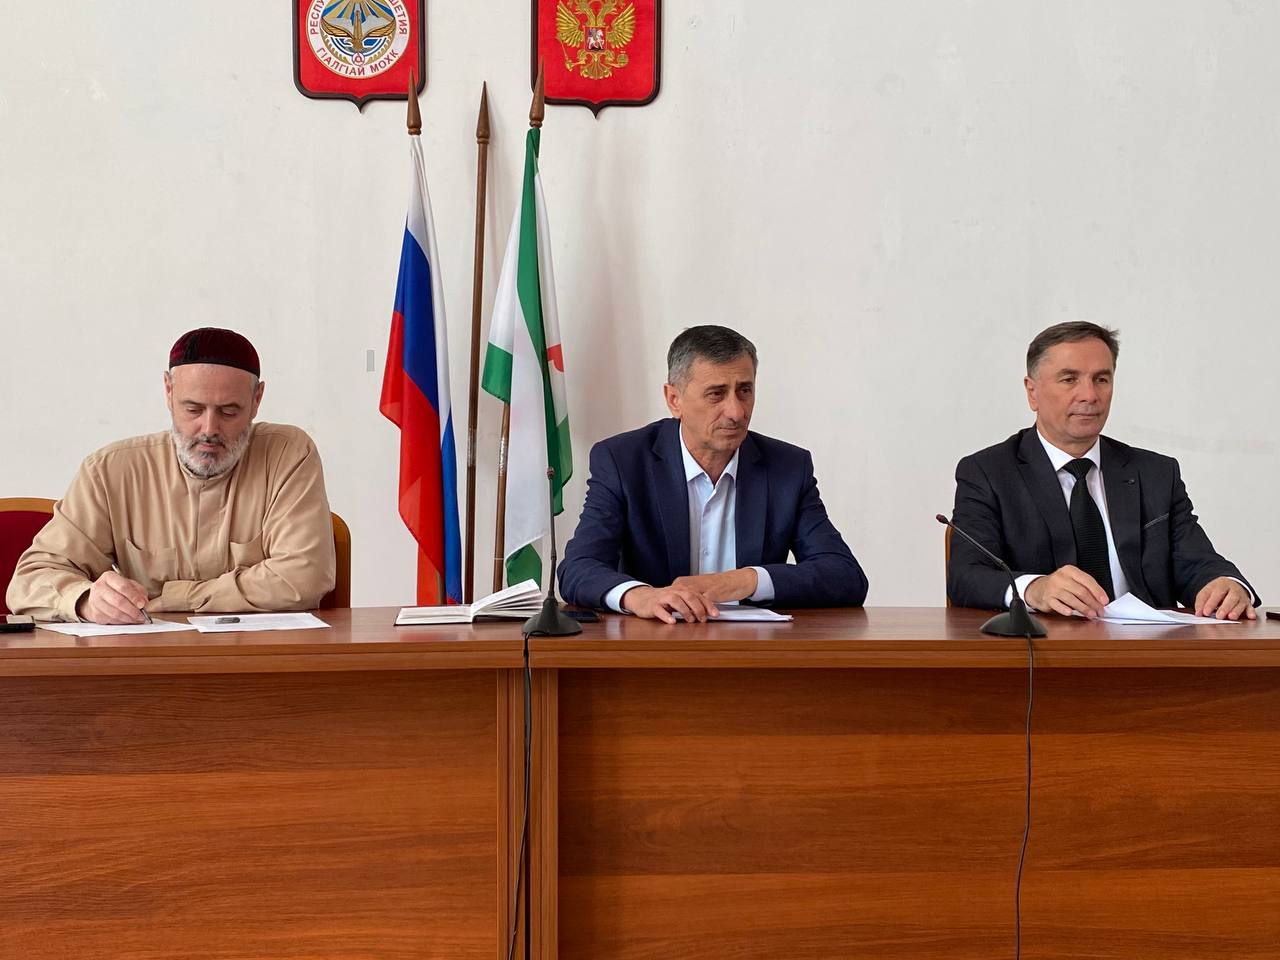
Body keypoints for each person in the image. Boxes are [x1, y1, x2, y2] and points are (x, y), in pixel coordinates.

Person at [7, 327, 336, 623]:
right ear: (168, 391)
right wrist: (84, 600)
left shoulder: (288, 455)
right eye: (193, 409)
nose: (209, 429)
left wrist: (176, 598)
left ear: (256, 400)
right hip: (148, 661)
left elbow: (303, 577)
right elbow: (29, 581)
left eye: (228, 411)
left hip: (261, 660)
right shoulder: (111, 471)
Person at [947, 320, 1257, 619]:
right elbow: (966, 575)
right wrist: (1034, 589)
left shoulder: (1156, 473)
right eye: (1069, 379)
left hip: (1146, 647)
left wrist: (1225, 584)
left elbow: (1197, 563)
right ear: (1032, 392)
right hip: (1046, 646)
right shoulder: (988, 473)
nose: (1090, 395)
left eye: (1101, 379)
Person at [558, 325, 867, 622]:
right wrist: (641, 597)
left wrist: (743, 580)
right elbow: (578, 568)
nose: (736, 412)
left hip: (755, 650)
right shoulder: (623, 461)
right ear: (674, 400)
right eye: (716, 394)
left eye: (744, 391)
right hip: (654, 645)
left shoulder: (787, 467)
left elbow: (845, 576)